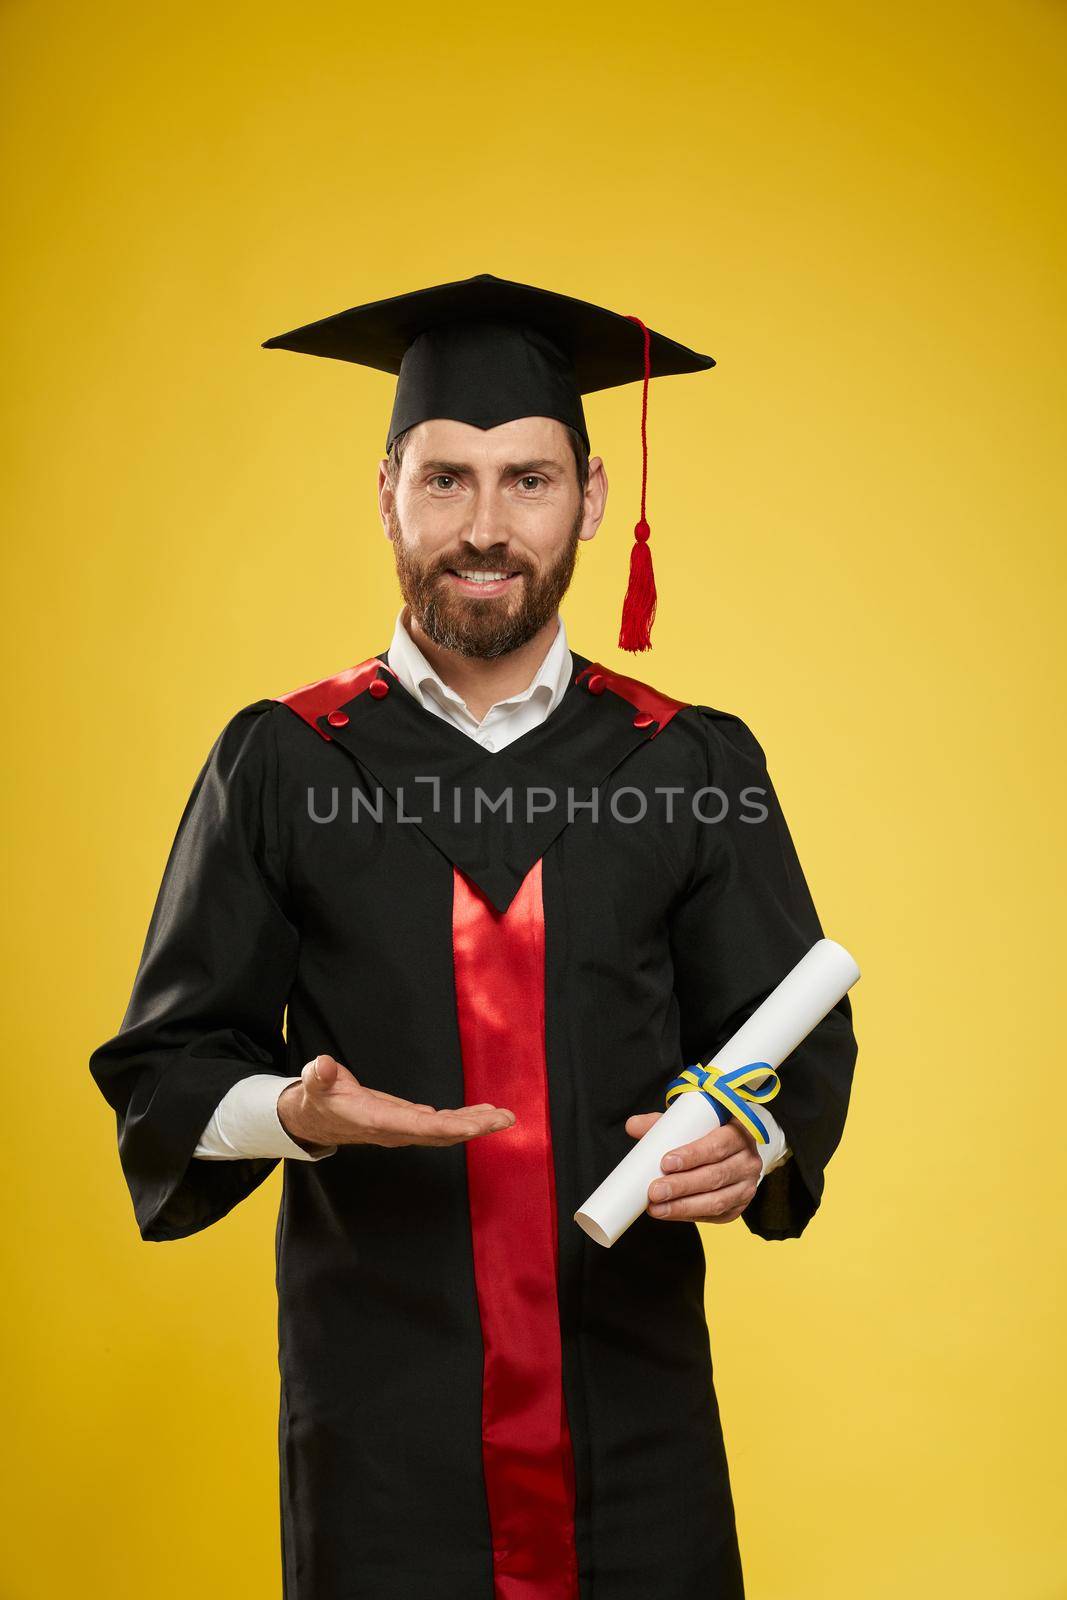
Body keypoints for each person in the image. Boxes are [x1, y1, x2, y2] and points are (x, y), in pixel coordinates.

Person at [89, 273, 858, 1600]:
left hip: (637, 1424)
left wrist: (753, 1140)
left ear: (593, 498)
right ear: (385, 488)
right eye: (447, 480)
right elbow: (166, 1071)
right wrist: (294, 1109)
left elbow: (794, 1041)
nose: (487, 527)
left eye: (529, 480)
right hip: (385, 1436)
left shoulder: (687, 761)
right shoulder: (279, 762)